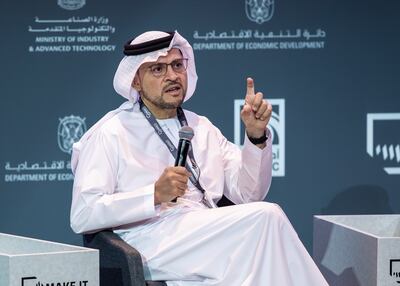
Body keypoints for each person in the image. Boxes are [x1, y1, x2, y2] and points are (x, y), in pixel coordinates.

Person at [70, 30, 328, 286]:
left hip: (205, 232)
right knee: (267, 218)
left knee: (262, 262)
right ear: (135, 80)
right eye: (158, 69)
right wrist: (153, 195)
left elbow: (249, 195)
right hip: (149, 240)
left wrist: (256, 137)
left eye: (176, 65)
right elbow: (83, 213)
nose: (172, 75)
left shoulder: (202, 126)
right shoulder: (111, 132)